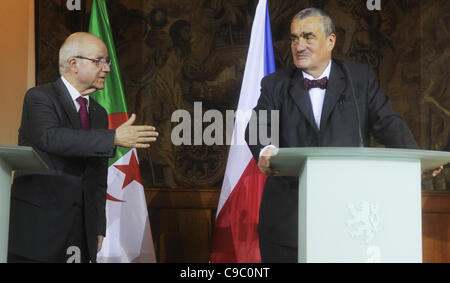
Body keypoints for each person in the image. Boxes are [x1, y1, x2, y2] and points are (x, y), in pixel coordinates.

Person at [246, 8, 418, 263]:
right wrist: (265, 150)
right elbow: (258, 126)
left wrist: (415, 159)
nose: (299, 46)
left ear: (331, 41)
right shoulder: (275, 83)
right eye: (294, 38)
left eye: (308, 37)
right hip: (287, 222)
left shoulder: (360, 78)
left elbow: (388, 122)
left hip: (347, 218)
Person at [8, 32, 158, 263]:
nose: (107, 68)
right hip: (39, 227)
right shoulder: (40, 97)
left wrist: (97, 226)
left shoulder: (98, 112)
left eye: (107, 62)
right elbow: (51, 138)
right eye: (99, 61)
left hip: (81, 228)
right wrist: (113, 138)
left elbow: (97, 176)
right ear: (73, 63)